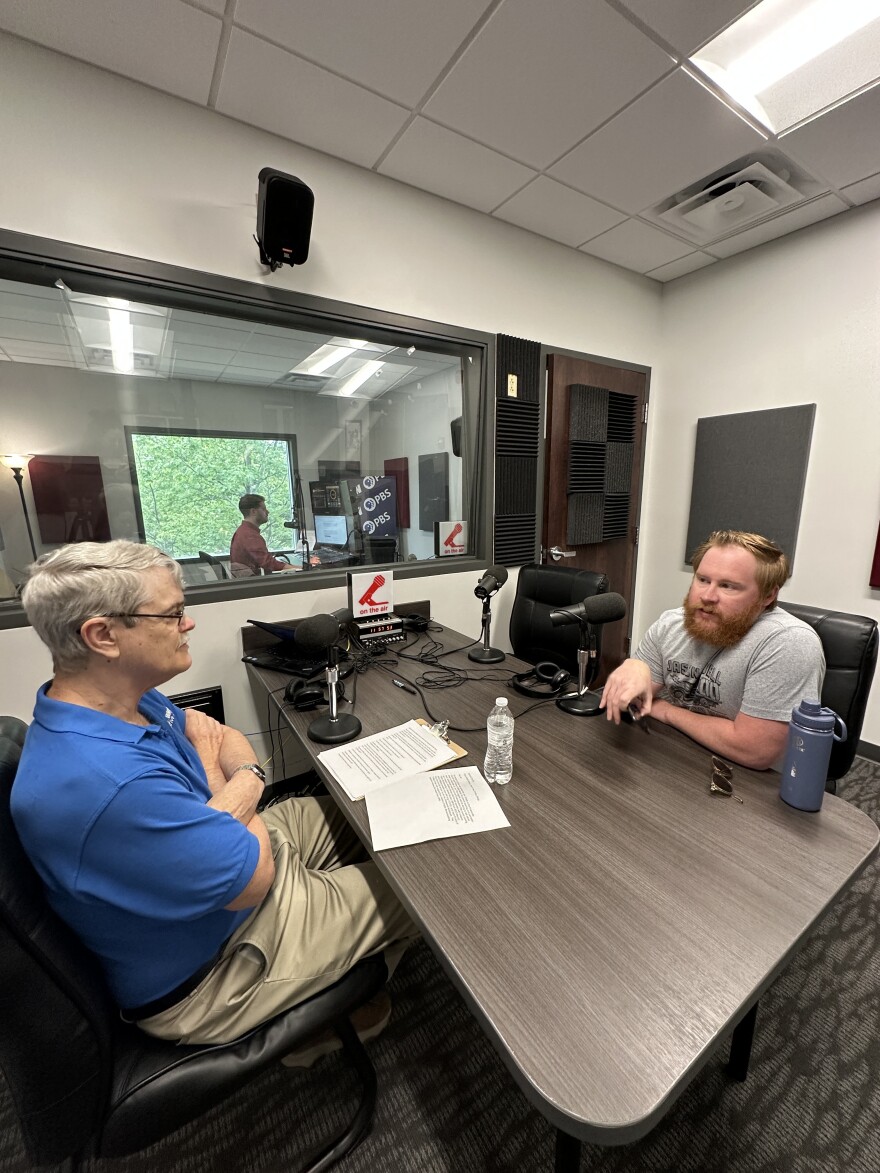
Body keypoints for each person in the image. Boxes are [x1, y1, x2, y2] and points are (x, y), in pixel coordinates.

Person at [11, 540, 415, 1051]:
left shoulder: (122, 700)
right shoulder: (106, 783)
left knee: (366, 812)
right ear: (103, 636)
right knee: (428, 890)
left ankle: (341, 967)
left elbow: (223, 736)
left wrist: (228, 785)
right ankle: (325, 1018)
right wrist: (237, 778)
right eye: (173, 613)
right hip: (216, 971)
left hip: (231, 865)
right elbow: (253, 879)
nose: (189, 624)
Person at [600, 530, 825, 771]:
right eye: (703, 579)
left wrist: (665, 711)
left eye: (728, 586)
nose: (707, 596)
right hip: (674, 755)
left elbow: (754, 751)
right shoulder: (672, 623)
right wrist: (634, 668)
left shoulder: (788, 642)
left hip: (749, 783)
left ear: (768, 595)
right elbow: (633, 702)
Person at [229, 493, 296, 577]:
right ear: (253, 511)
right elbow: (268, 563)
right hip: (254, 585)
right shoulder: (249, 535)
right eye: (264, 509)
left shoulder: (243, 531)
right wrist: (298, 568)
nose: (268, 512)